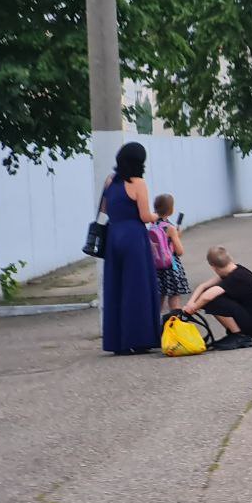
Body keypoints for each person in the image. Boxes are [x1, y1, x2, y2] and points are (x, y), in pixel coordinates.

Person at [100, 142, 161, 355]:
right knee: (137, 287)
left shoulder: (110, 180)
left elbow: (104, 208)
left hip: (113, 234)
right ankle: (139, 338)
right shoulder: (138, 183)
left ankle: (118, 342)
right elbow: (144, 216)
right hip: (134, 236)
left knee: (116, 287)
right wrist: (157, 216)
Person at [183, 246, 252, 350]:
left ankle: (239, 336)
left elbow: (207, 297)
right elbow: (203, 286)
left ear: (213, 267)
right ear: (230, 259)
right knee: (210, 294)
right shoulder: (235, 270)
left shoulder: (237, 277)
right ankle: (236, 333)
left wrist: (191, 309)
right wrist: (190, 303)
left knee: (212, 299)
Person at [154, 193, 190, 312]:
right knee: (174, 299)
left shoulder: (153, 225)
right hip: (171, 267)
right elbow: (179, 251)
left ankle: (156, 321)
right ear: (171, 210)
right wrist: (176, 237)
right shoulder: (170, 228)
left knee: (159, 298)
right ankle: (175, 320)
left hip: (156, 267)